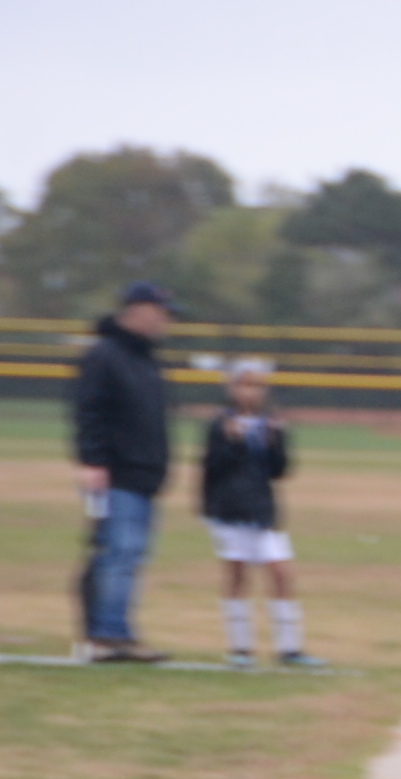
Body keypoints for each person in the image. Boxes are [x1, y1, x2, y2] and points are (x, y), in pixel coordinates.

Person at [69, 281, 177, 663]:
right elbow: (88, 412)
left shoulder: (147, 360)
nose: (165, 320)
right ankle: (105, 636)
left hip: (145, 475)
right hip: (116, 473)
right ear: (138, 310)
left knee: (131, 557)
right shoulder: (104, 355)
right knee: (117, 553)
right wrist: (93, 461)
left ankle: (119, 633)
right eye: (161, 312)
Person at [194, 357, 319, 669]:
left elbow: (280, 470)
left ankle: (290, 648)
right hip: (230, 509)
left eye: (258, 386)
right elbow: (212, 467)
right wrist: (233, 442)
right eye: (245, 385)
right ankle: (240, 647)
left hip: (261, 509)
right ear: (232, 388)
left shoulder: (270, 424)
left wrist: (277, 441)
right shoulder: (220, 424)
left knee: (280, 572)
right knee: (237, 573)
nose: (251, 392)